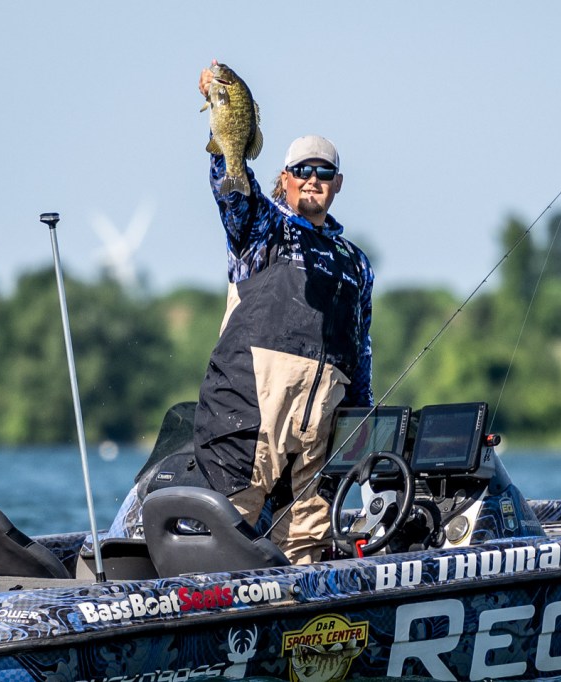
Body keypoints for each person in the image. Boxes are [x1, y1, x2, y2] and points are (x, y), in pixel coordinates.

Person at [192, 66, 374, 565]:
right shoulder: (263, 228)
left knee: (309, 546)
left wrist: (362, 427)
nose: (313, 180)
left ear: (337, 184)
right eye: (303, 171)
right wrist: (222, 127)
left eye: (324, 173)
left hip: (320, 432)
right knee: (225, 530)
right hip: (250, 413)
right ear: (285, 178)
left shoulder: (356, 262)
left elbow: (361, 351)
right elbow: (233, 191)